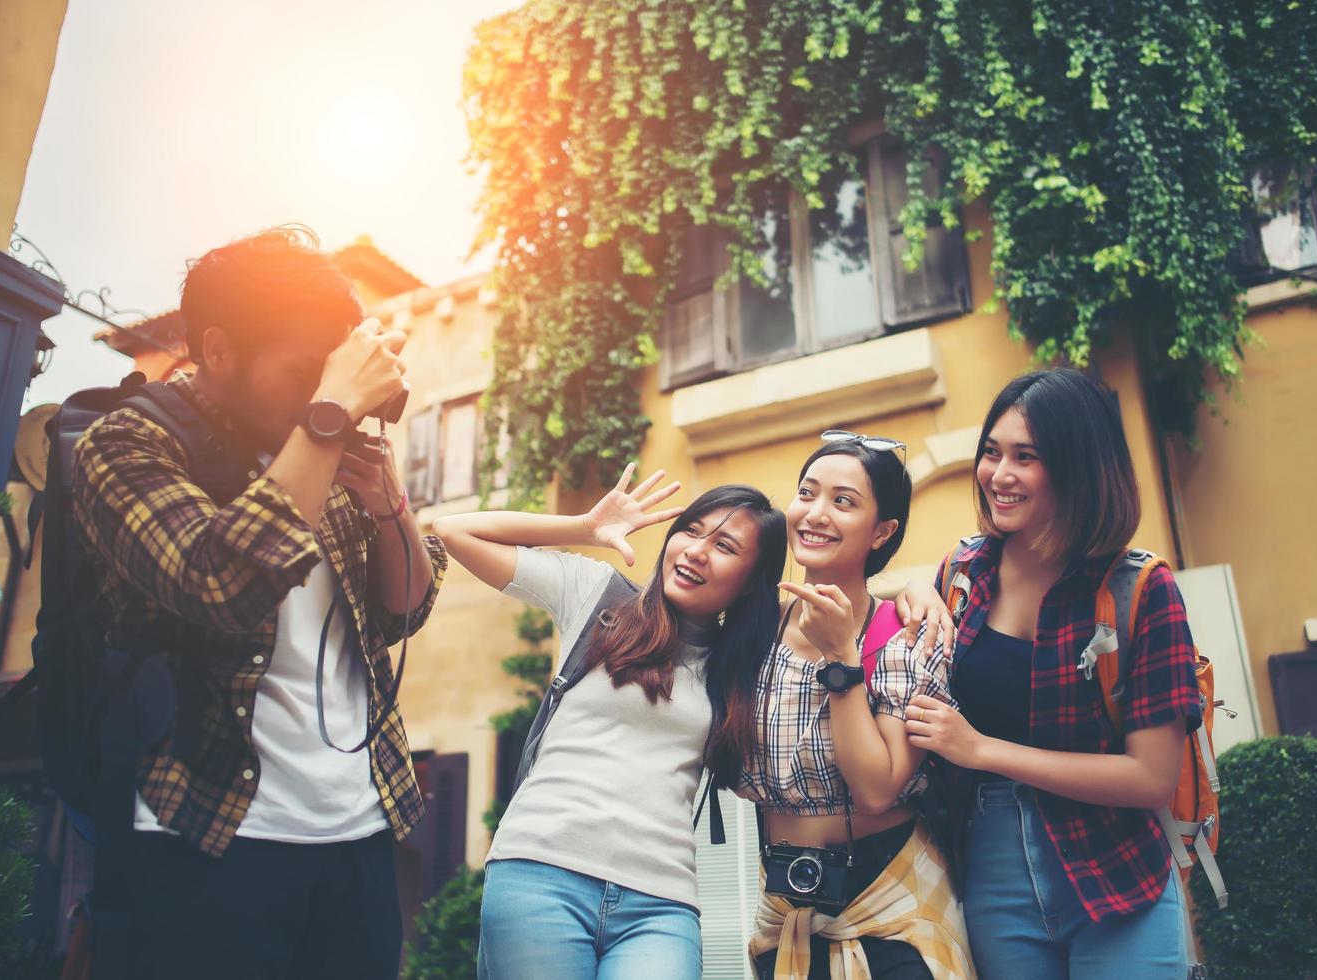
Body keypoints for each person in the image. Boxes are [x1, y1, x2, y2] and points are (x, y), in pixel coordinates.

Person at [70, 227, 447, 979]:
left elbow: (405, 608)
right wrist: (330, 412)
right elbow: (223, 585)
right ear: (218, 351)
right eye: (304, 372)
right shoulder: (128, 443)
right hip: (208, 834)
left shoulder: (318, 439)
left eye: (330, 375)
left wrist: (386, 504)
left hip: (360, 831)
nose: (318, 394)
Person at [434, 469, 788, 980]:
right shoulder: (597, 597)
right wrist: (585, 525)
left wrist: (924, 597)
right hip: (541, 872)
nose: (695, 551)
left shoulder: (745, 666)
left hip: (661, 901)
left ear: (752, 581)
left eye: (725, 546)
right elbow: (453, 531)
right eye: (691, 530)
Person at [905, 369, 1201, 978]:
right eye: (991, 452)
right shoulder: (964, 573)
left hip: (1117, 872)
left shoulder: (1139, 589)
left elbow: (1151, 776)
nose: (999, 474)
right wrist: (912, 590)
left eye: (1025, 457)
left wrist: (983, 749)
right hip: (991, 868)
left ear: (1078, 466)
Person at [741, 432, 974, 979]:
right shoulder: (752, 631)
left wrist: (841, 657)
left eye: (843, 501)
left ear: (883, 530)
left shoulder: (903, 635)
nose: (816, 513)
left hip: (890, 906)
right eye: (807, 493)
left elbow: (876, 788)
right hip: (784, 909)